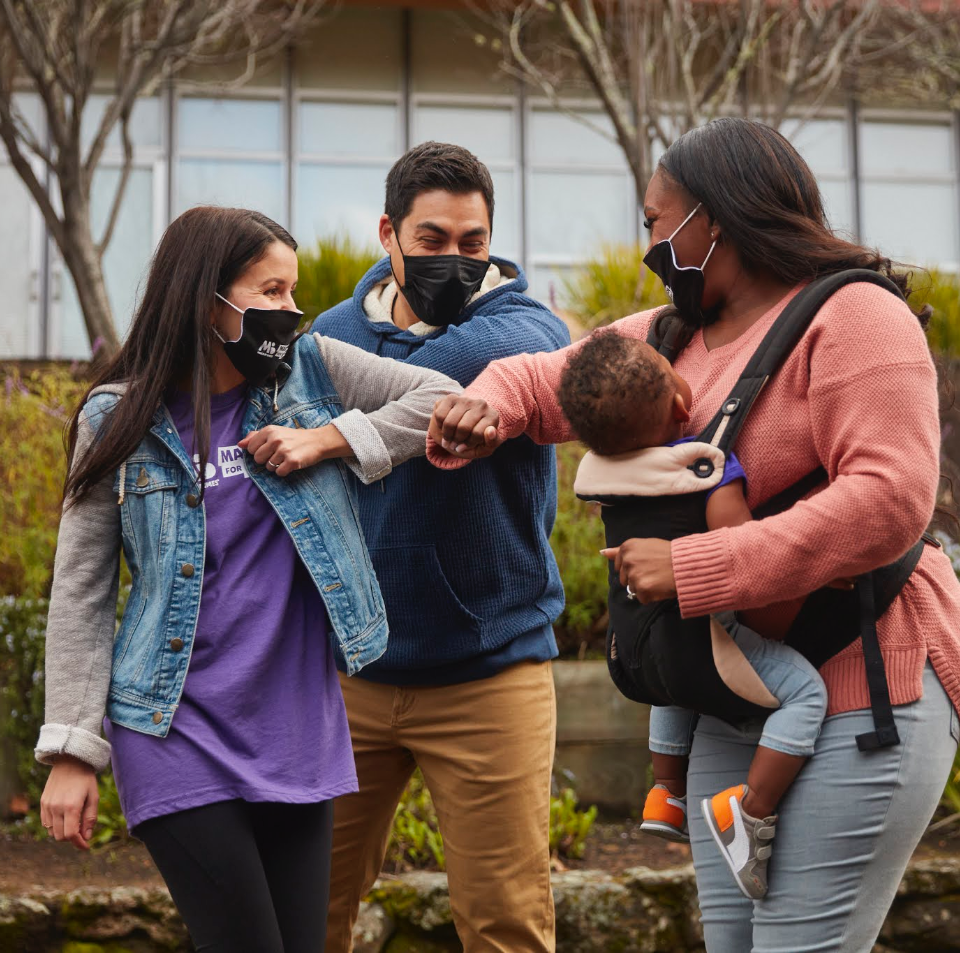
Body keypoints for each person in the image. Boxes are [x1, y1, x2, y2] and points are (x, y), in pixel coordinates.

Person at [429, 118, 960, 952]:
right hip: (725, 688)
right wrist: (486, 405)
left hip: (864, 681)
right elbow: (549, 377)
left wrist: (696, 563)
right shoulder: (677, 334)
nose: (648, 243)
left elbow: (889, 499)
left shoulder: (857, 317)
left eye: (655, 222)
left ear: (711, 221)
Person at [35, 206, 461, 953]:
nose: (291, 311)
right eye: (271, 291)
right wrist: (73, 749)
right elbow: (81, 589)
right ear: (209, 301)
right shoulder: (119, 418)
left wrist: (328, 439)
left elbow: (439, 398)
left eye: (292, 292)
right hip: (173, 726)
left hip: (298, 730)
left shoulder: (314, 373)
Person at [312, 141, 570, 953]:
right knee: (304, 915)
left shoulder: (527, 329)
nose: (454, 261)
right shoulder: (330, 330)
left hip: (489, 670)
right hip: (348, 675)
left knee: (505, 926)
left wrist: (331, 389)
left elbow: (445, 370)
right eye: (432, 241)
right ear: (388, 233)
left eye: (473, 243)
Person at [560, 327, 833, 900]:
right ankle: (750, 810)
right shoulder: (705, 469)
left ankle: (666, 792)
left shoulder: (606, 478)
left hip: (635, 654)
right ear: (683, 402)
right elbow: (745, 550)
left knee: (674, 681)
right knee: (806, 696)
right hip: (709, 645)